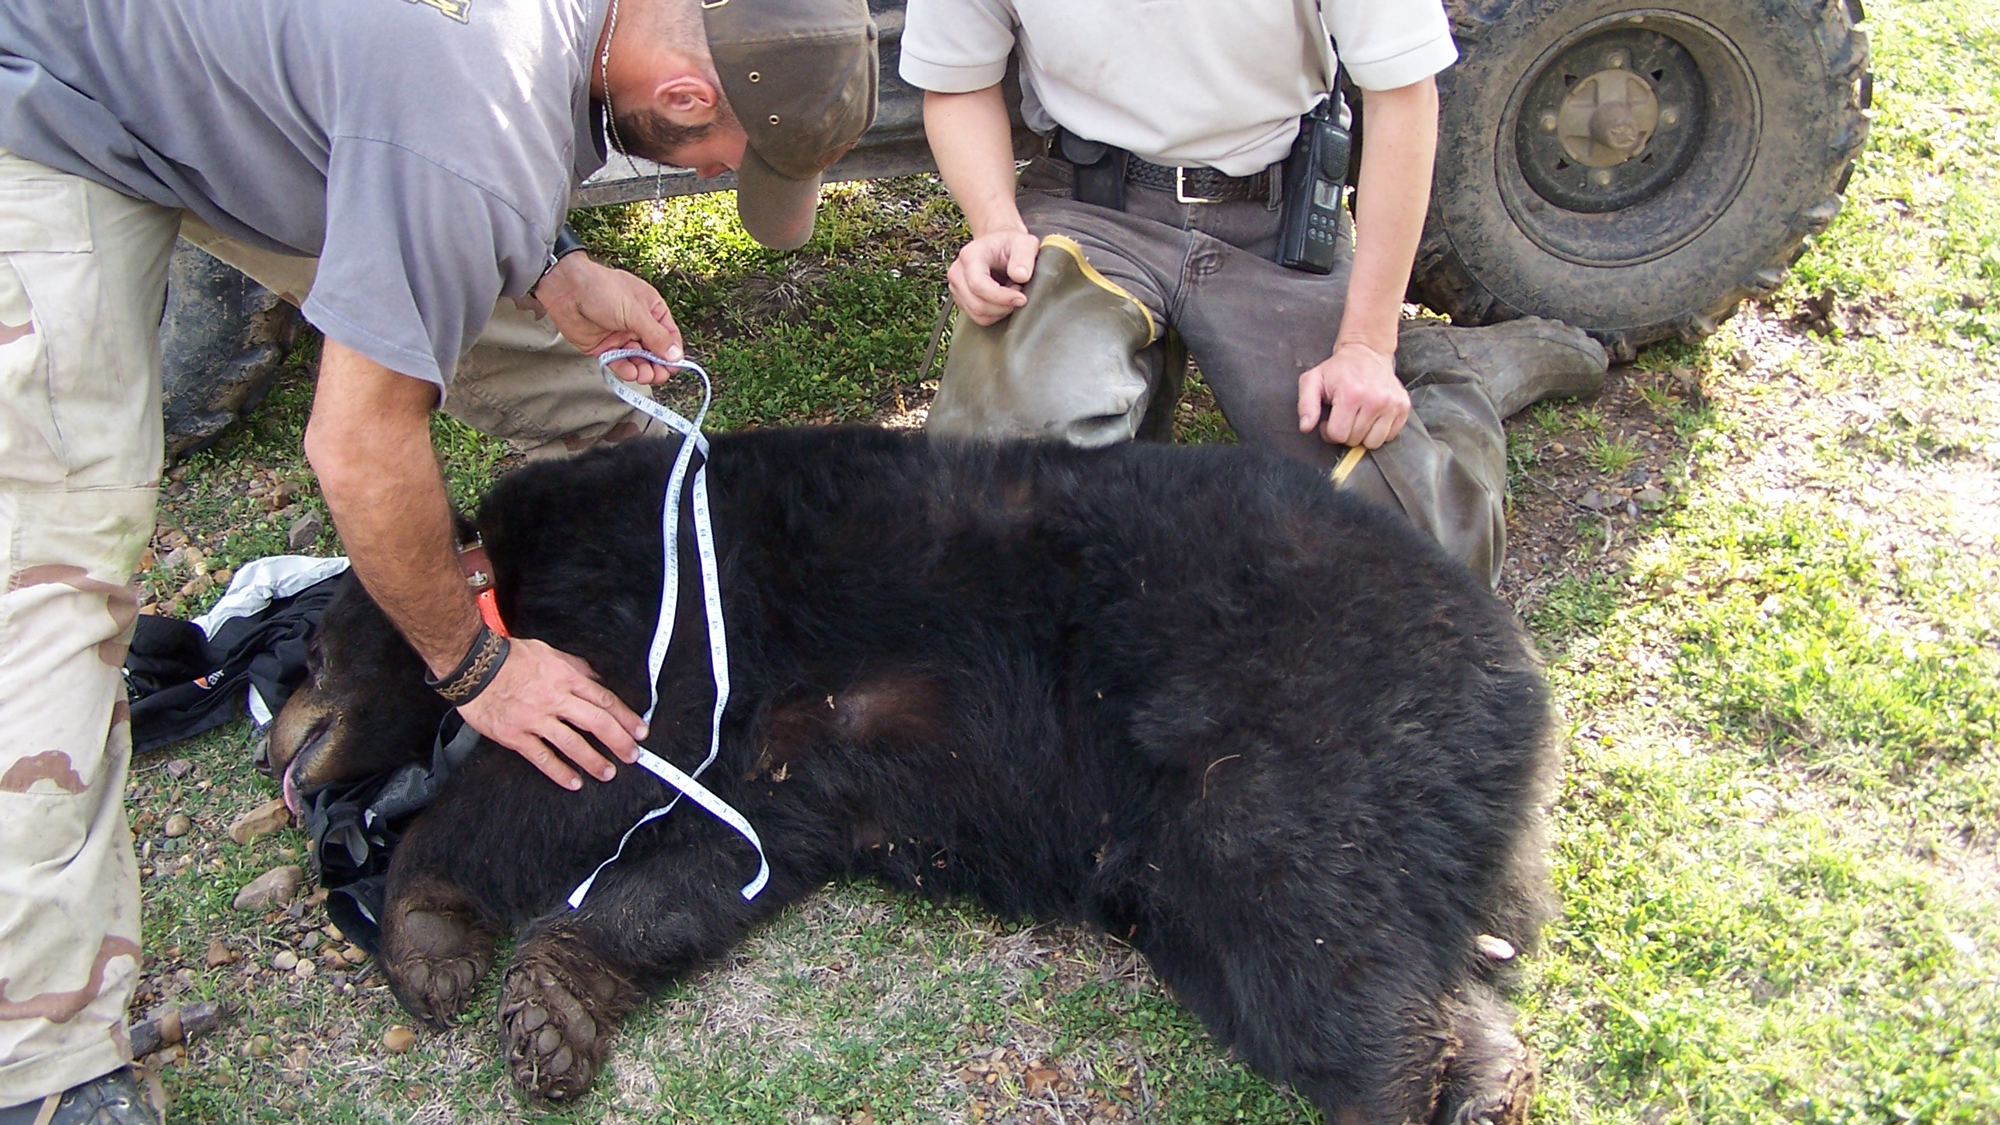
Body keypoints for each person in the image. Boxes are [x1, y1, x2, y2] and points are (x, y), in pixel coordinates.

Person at [0, 0, 876, 1117]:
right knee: (49, 571)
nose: (715, 172)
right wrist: (478, 670)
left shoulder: (538, 59)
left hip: (282, 86)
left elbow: (418, 139)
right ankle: (37, 1065)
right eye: (726, 161)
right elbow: (358, 444)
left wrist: (552, 262)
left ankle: (657, 586)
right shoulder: (478, 122)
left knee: (568, 375)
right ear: (689, 99)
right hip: (51, 94)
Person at [899, 0, 1610, 586]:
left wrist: (1365, 343)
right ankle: (1124, 396)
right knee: (990, 511)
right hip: (1091, 210)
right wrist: (995, 223)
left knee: (1417, 567)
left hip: (1273, 218)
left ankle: (1447, 378)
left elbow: (1403, 96)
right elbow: (957, 80)